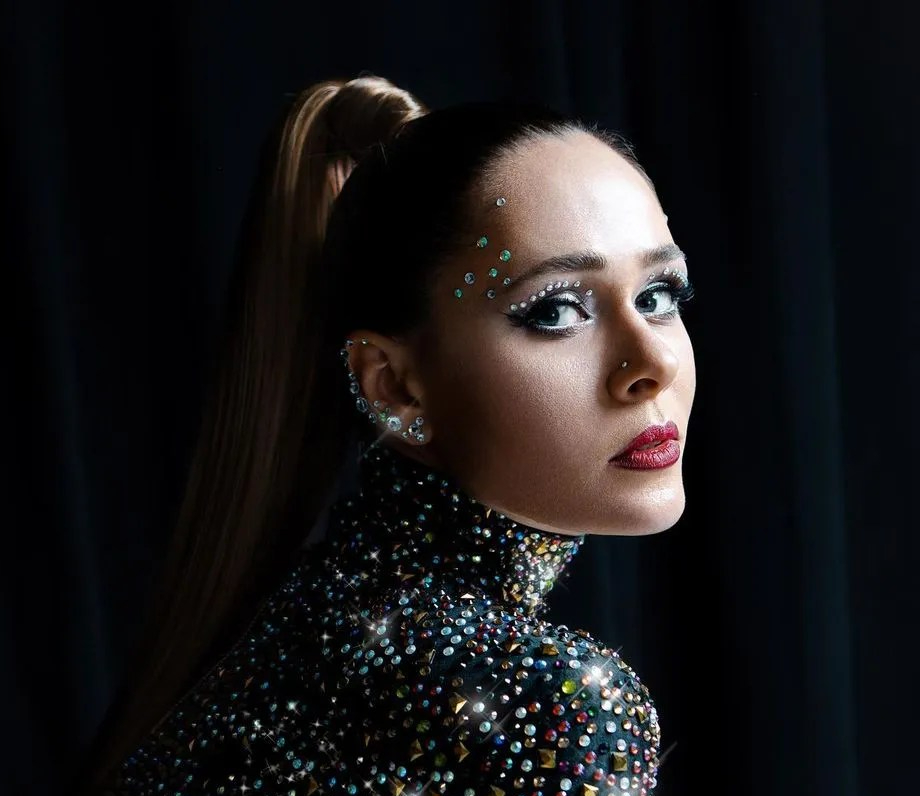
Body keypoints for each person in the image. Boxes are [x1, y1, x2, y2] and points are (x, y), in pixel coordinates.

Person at [76, 74, 696, 796]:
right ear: (394, 385)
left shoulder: (305, 619)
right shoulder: (546, 705)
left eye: (658, 295)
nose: (651, 365)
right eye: (555, 311)